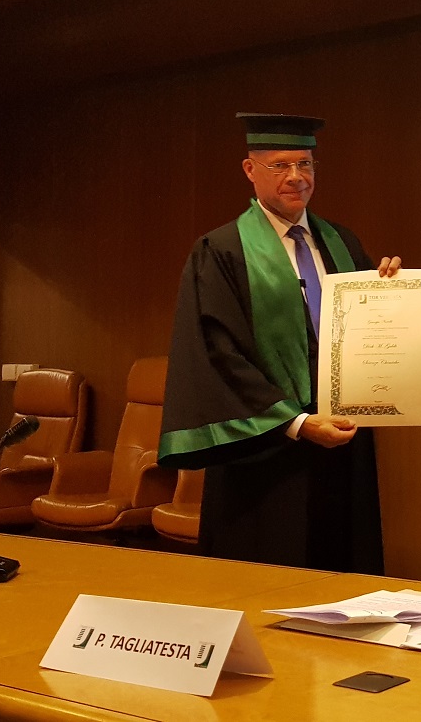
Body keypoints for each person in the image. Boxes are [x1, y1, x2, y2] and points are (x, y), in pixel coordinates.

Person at [157, 113, 398, 573]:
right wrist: (296, 422)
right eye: (281, 165)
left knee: (342, 573)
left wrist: (388, 290)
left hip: (342, 443)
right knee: (269, 576)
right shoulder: (222, 251)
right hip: (264, 453)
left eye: (305, 164)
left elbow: (368, 335)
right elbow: (218, 353)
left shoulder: (341, 243)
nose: (296, 177)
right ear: (250, 170)